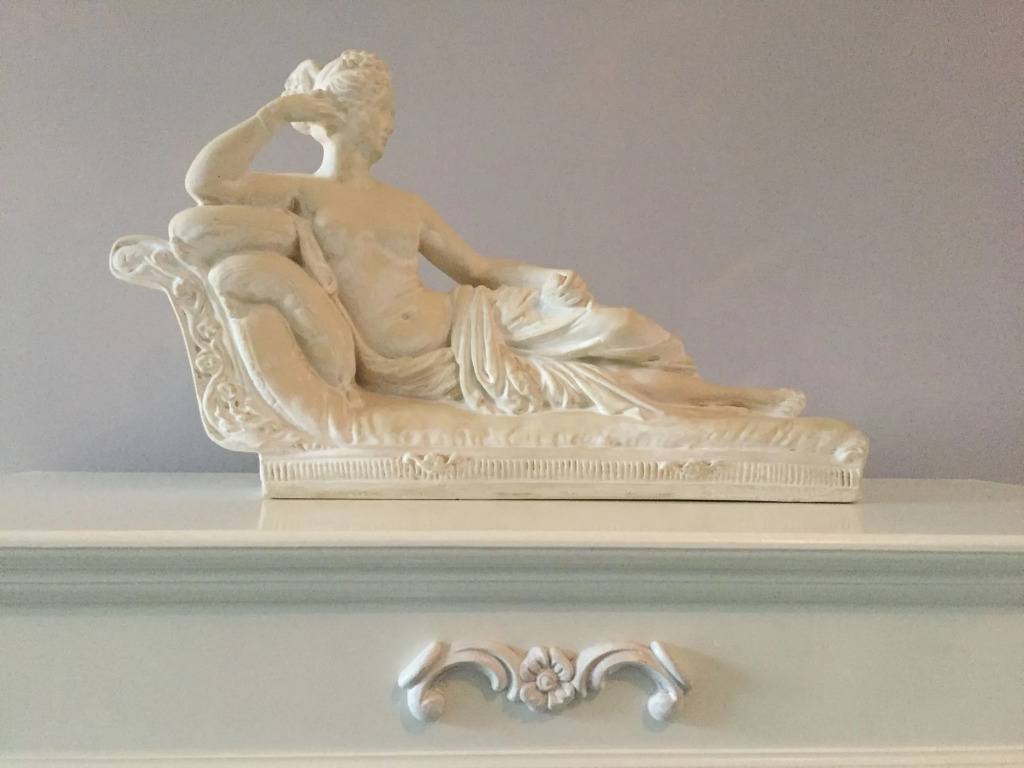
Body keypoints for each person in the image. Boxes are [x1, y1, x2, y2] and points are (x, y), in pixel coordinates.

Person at [182, 50, 804, 418]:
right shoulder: (304, 193)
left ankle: (730, 402)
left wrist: (544, 277)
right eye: (383, 111)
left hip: (469, 320)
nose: (391, 125)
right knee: (590, 382)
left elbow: (476, 268)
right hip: (429, 358)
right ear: (347, 116)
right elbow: (207, 183)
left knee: (624, 334)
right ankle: (735, 401)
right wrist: (274, 115)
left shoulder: (405, 204)